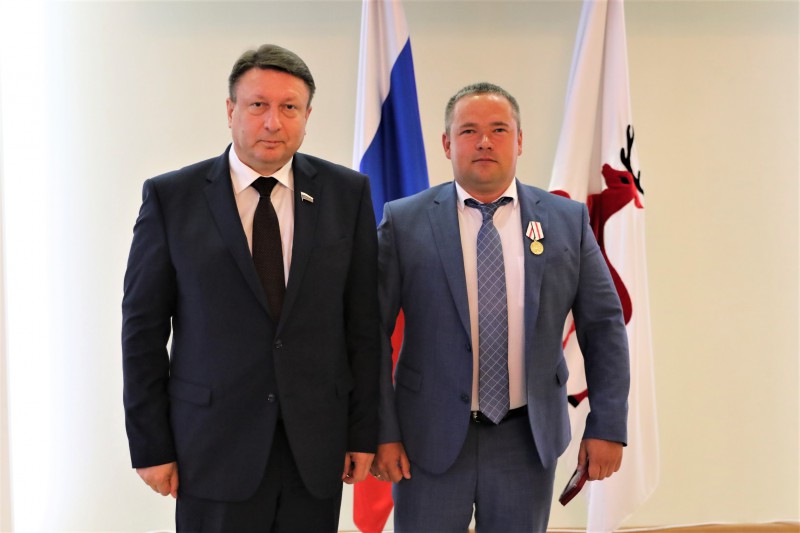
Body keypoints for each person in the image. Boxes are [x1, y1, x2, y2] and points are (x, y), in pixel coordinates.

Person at [122, 44, 380, 532]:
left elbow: (363, 324)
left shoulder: (347, 194)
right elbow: (142, 332)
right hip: (211, 446)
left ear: (307, 116)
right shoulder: (171, 198)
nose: (273, 122)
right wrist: (150, 443)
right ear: (230, 110)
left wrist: (363, 432)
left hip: (315, 448)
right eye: (258, 104)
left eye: (289, 107)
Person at [371, 82, 630, 532]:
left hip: (525, 441)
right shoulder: (405, 221)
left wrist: (607, 424)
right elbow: (368, 332)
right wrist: (382, 430)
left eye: (498, 129)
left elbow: (604, 325)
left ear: (520, 140)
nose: (485, 141)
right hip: (426, 439)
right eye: (469, 130)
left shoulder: (566, 221)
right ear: (447, 143)